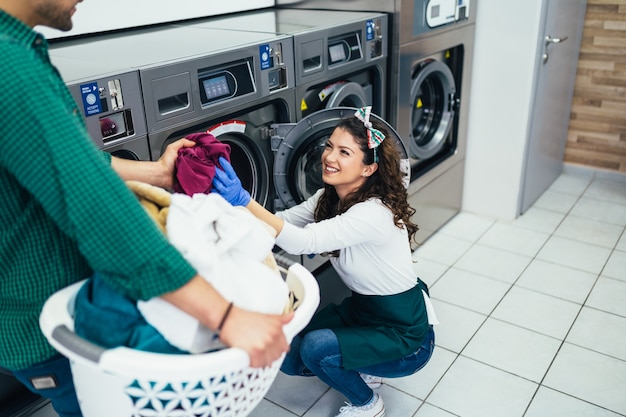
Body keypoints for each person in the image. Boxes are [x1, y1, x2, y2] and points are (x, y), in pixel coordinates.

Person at [0, 2, 293, 416]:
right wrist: (227, 316)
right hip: (58, 321)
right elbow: (97, 206)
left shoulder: (17, 51)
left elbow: (74, 161)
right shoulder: (10, 65)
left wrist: (158, 173)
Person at [212, 106, 437, 417]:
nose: (330, 157)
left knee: (316, 349)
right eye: (329, 146)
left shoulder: (373, 213)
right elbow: (279, 223)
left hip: (405, 336)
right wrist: (225, 215)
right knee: (290, 353)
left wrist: (244, 200)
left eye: (344, 152)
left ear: (368, 168)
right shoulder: (328, 197)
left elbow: (303, 241)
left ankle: (368, 403)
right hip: (365, 314)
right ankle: (363, 364)